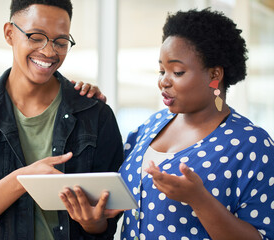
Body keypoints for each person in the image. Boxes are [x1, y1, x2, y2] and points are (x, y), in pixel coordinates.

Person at [0, 0, 123, 239]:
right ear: (9, 33)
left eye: (61, 41)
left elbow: (106, 225)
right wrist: (21, 180)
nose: (49, 52)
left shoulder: (95, 113)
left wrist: (92, 222)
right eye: (36, 37)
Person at [117, 8, 274, 240]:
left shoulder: (252, 145)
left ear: (214, 75)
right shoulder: (150, 126)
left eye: (177, 72)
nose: (163, 81)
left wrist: (198, 199)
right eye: (162, 70)